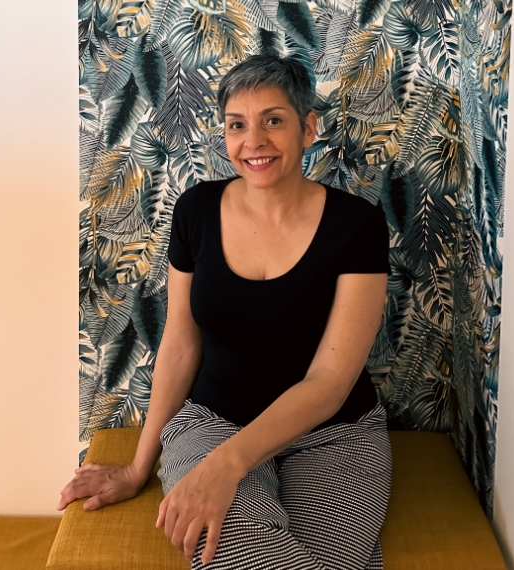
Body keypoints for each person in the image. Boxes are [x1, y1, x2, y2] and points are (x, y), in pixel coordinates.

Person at [58, 55, 393, 570]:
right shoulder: (195, 211)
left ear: (308, 129)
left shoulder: (358, 225)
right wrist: (136, 469)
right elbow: (179, 346)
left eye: (274, 121)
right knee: (232, 553)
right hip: (212, 423)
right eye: (237, 125)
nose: (253, 141)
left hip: (335, 435)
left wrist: (227, 466)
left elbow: (330, 381)